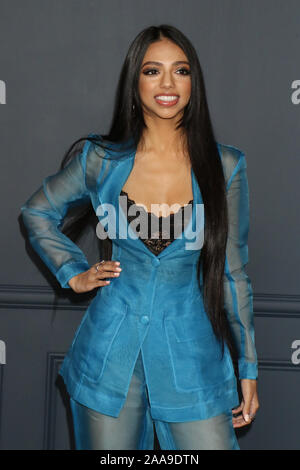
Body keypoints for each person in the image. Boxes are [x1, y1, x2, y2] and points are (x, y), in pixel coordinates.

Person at [20, 24, 259, 450]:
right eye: (153, 71)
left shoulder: (225, 167)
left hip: (193, 364)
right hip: (107, 361)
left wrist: (249, 366)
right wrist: (73, 271)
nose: (168, 83)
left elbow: (232, 275)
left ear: (194, 82)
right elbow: (37, 210)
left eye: (180, 71)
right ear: (135, 82)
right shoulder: (101, 160)